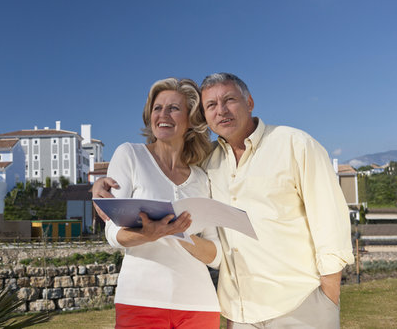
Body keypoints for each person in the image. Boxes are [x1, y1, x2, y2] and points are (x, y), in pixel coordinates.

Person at [94, 73, 354, 328]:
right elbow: (120, 222)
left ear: (249, 102)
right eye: (211, 105)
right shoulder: (206, 164)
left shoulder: (293, 145)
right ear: (204, 117)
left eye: (229, 100)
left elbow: (329, 217)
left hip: (296, 303)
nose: (221, 111)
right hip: (239, 311)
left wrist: (330, 290)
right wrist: (97, 187)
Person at [100, 77, 222, 328]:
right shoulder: (129, 154)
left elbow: (216, 255)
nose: (163, 114)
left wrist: (181, 234)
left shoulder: (201, 177)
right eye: (158, 108)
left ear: (190, 120)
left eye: (174, 108)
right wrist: (149, 234)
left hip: (199, 305)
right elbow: (112, 230)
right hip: (140, 300)